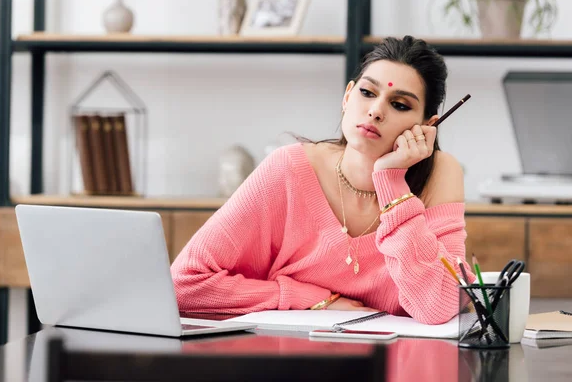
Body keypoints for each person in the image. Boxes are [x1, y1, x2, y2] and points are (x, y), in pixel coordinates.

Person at [170, 35, 476, 325]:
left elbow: (440, 305)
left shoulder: (440, 175)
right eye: (367, 93)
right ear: (347, 96)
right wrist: (311, 299)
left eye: (399, 105)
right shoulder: (289, 167)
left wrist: (391, 181)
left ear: (427, 126)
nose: (375, 111)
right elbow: (183, 284)